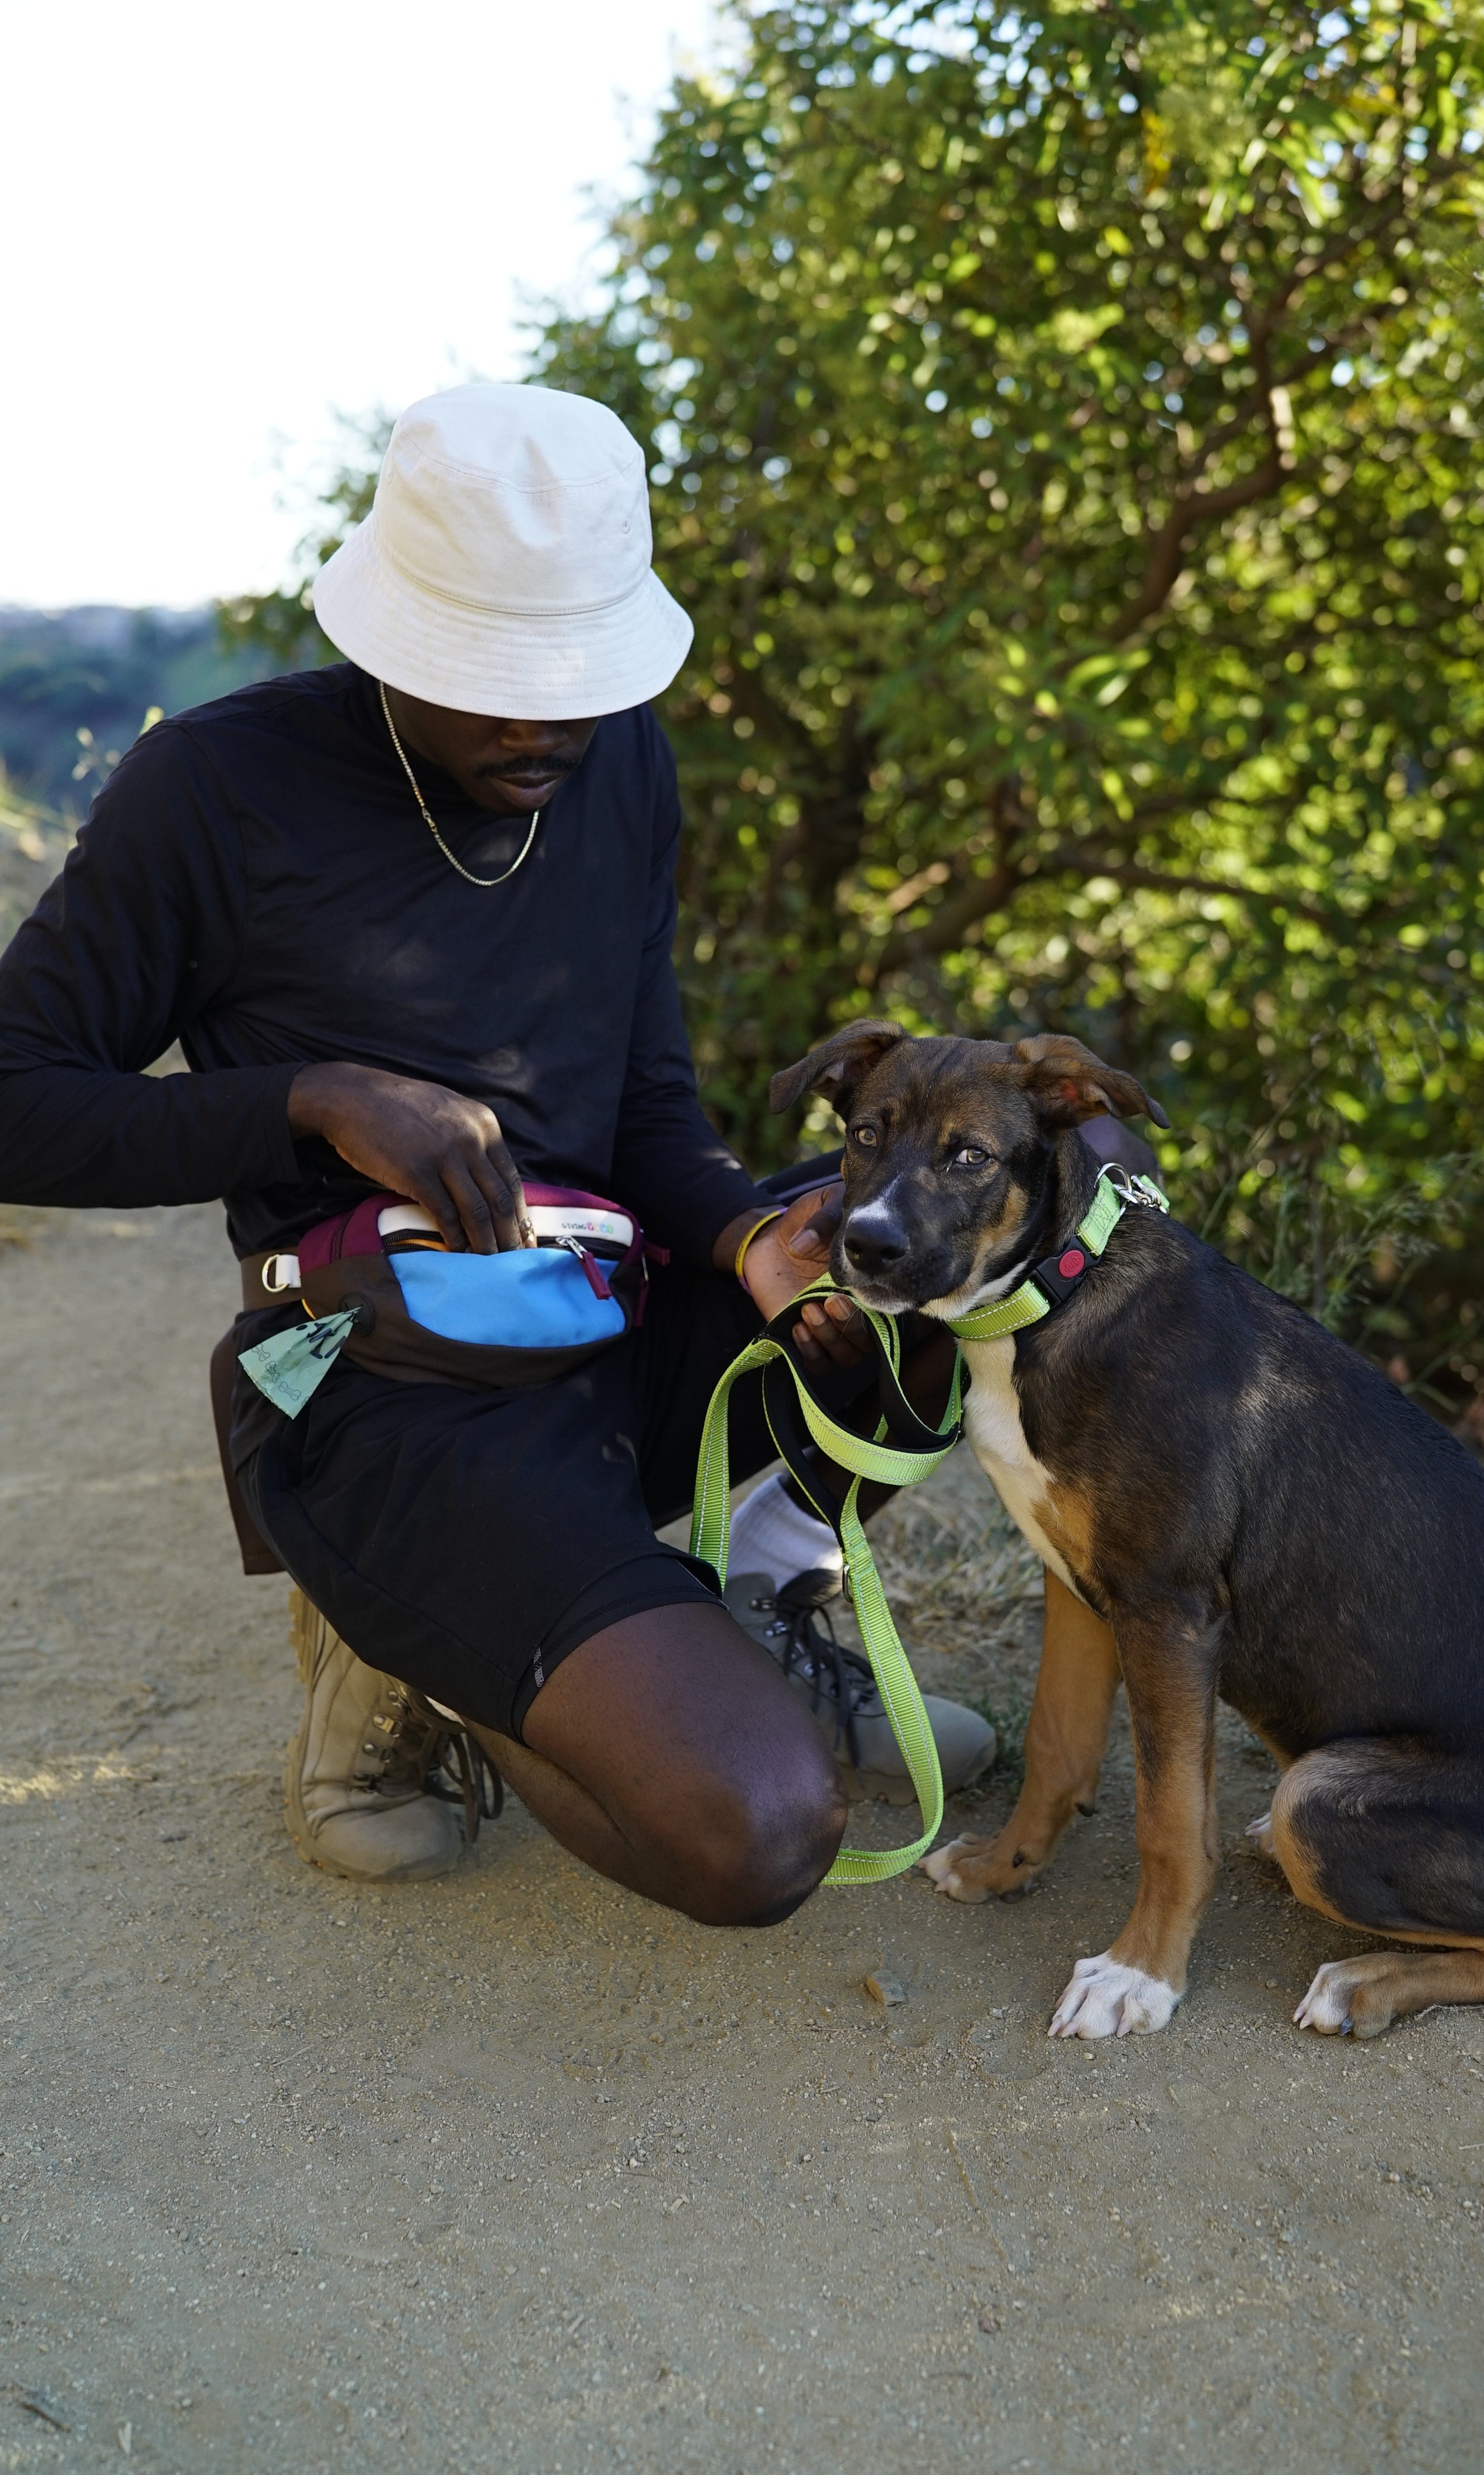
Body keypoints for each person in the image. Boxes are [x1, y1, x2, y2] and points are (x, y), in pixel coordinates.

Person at [0, 382, 994, 1923]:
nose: (547, 719)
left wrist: (740, 1239)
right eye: (495, 674)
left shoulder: (623, 768)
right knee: (762, 1830)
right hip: (391, 1392)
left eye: (575, 672)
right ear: (390, 634)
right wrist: (312, 1099)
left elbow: (646, 1103)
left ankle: (761, 1593)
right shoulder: (212, 793)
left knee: (954, 1227)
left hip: (605, 1317)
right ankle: (423, 1655)